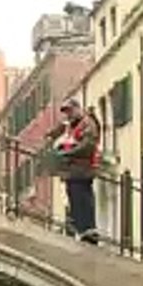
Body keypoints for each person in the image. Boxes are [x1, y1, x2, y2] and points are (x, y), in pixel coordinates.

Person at [49, 98, 101, 244]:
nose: (68, 115)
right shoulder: (71, 126)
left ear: (77, 109)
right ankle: (81, 228)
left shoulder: (87, 123)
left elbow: (88, 145)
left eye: (70, 111)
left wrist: (67, 153)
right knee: (75, 198)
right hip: (73, 171)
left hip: (82, 169)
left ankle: (88, 230)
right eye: (66, 112)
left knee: (83, 198)